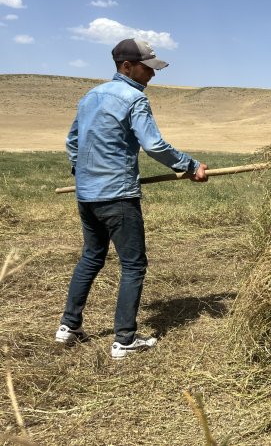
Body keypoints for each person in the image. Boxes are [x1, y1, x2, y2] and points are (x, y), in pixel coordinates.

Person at [55, 38, 209, 358]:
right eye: (147, 68)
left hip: (87, 196)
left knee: (91, 257)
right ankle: (124, 340)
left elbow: (73, 141)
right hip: (118, 197)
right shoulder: (133, 99)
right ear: (127, 66)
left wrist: (81, 172)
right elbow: (153, 145)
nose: (152, 75)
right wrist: (191, 166)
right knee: (134, 265)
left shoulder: (90, 97)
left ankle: (68, 327)